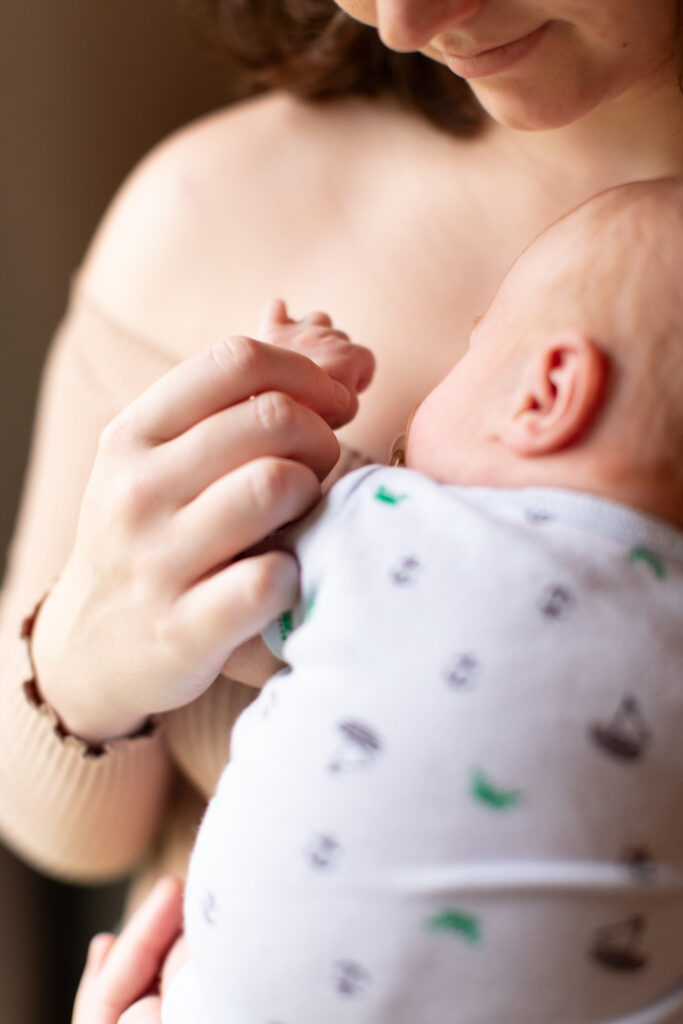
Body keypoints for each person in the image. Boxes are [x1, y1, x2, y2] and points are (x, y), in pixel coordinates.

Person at [1, 0, 682, 1008]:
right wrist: (79, 657)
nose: (400, 19)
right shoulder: (205, 205)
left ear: (550, 389)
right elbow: (59, 827)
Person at [151, 177, 683, 1024]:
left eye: (472, 355)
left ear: (545, 394)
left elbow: (219, 537)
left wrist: (285, 392)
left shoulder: (403, 525)